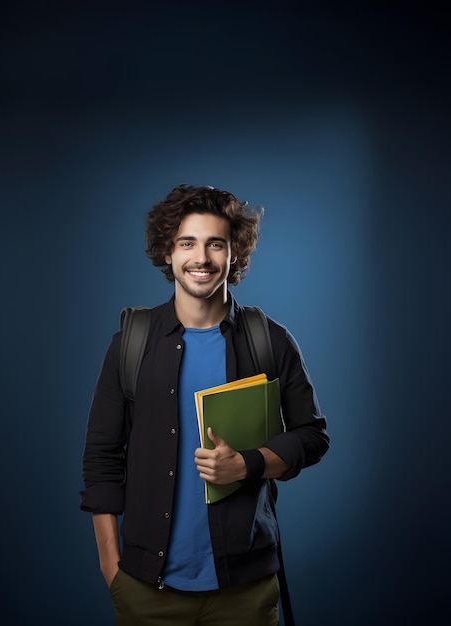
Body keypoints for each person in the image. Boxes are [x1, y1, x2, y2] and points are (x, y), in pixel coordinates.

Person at [80, 184, 329, 625]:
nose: (202, 257)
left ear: (235, 254)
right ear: (168, 252)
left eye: (216, 243)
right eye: (187, 243)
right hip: (145, 590)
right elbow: (102, 458)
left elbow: (312, 437)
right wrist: (110, 566)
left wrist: (248, 465)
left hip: (245, 592)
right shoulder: (131, 343)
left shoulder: (268, 340)